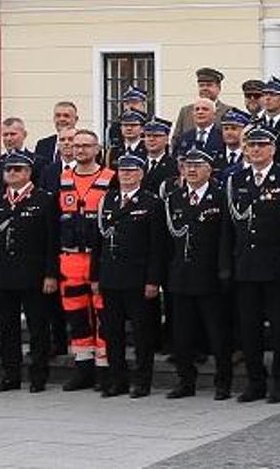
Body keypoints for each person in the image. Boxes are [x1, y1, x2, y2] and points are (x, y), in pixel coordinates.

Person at [225, 125, 280, 404]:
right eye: (251, 146)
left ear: (273, 149)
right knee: (249, 328)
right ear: (245, 149)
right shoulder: (237, 180)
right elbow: (228, 227)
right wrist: (227, 264)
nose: (256, 150)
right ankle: (255, 381)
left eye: (261, 145)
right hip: (245, 266)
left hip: (276, 267)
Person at [0, 152, 60, 393]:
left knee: (38, 328)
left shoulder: (44, 199)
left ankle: (38, 376)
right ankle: (10, 375)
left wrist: (51, 274)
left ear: (28, 173)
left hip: (34, 275)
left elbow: (52, 241)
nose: (12, 173)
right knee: (8, 329)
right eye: (8, 170)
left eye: (17, 169)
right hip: (4, 274)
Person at [94, 156, 167, 398]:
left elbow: (158, 246)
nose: (125, 174)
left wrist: (153, 280)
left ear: (141, 174)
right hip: (111, 277)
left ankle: (142, 381)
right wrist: (96, 277)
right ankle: (118, 379)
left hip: (138, 277)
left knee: (142, 333)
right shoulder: (108, 200)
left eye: (131, 171)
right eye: (122, 170)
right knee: (112, 332)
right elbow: (98, 242)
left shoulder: (151, 202)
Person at [163, 150, 233, 400]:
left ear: (210, 169)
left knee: (217, 334)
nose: (191, 170)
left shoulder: (220, 196)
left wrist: (224, 270)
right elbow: (167, 241)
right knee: (182, 335)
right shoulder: (174, 198)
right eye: (186, 166)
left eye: (197, 165)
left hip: (210, 275)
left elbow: (226, 236)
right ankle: (185, 380)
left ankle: (223, 381)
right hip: (181, 275)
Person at [57, 129, 114, 392]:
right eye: (75, 145)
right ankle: (83, 366)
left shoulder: (109, 178)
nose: (80, 150)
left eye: (85, 146)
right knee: (76, 315)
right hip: (70, 258)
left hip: (98, 257)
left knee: (103, 314)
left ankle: (104, 369)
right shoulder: (62, 178)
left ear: (97, 149)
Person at [175, 67, 232, 133]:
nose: (205, 88)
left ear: (219, 88)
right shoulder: (186, 111)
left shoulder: (228, 112)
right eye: (201, 85)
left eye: (209, 85)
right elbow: (176, 139)